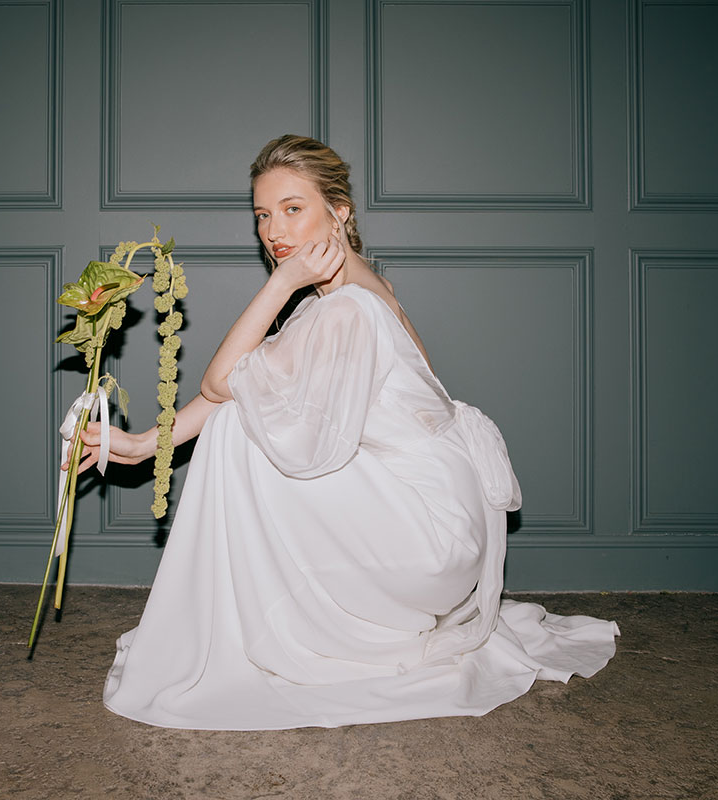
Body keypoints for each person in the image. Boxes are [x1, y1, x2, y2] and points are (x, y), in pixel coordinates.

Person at [66, 135, 619, 730]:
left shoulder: (346, 309)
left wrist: (279, 283)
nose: (274, 230)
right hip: (436, 518)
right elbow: (237, 389)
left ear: (340, 212)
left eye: (292, 208)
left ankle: (250, 629)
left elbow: (222, 381)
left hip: (426, 538)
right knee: (249, 420)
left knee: (242, 438)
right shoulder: (343, 296)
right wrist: (141, 444)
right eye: (262, 215)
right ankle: (259, 619)